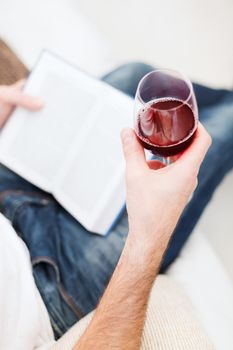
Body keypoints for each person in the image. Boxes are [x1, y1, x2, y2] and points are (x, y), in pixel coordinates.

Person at [0, 63, 232, 349]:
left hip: (5, 196)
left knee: (133, 76)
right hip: (49, 290)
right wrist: (148, 236)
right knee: (224, 123)